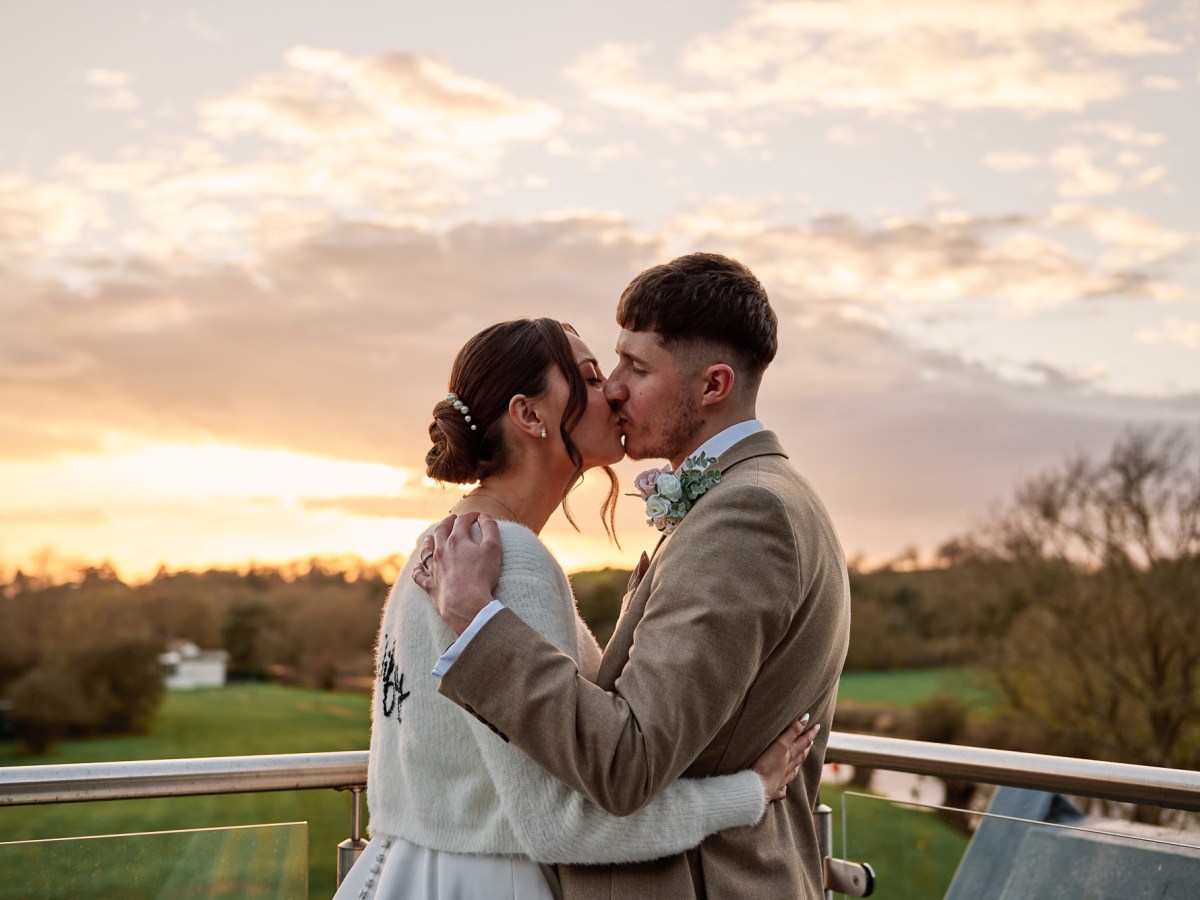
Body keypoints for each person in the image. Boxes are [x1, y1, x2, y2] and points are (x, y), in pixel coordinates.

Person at [334, 317, 820, 900]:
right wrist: (750, 792)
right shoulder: (508, 563)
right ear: (529, 414)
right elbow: (563, 825)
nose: (613, 390)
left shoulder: (443, 545)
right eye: (590, 377)